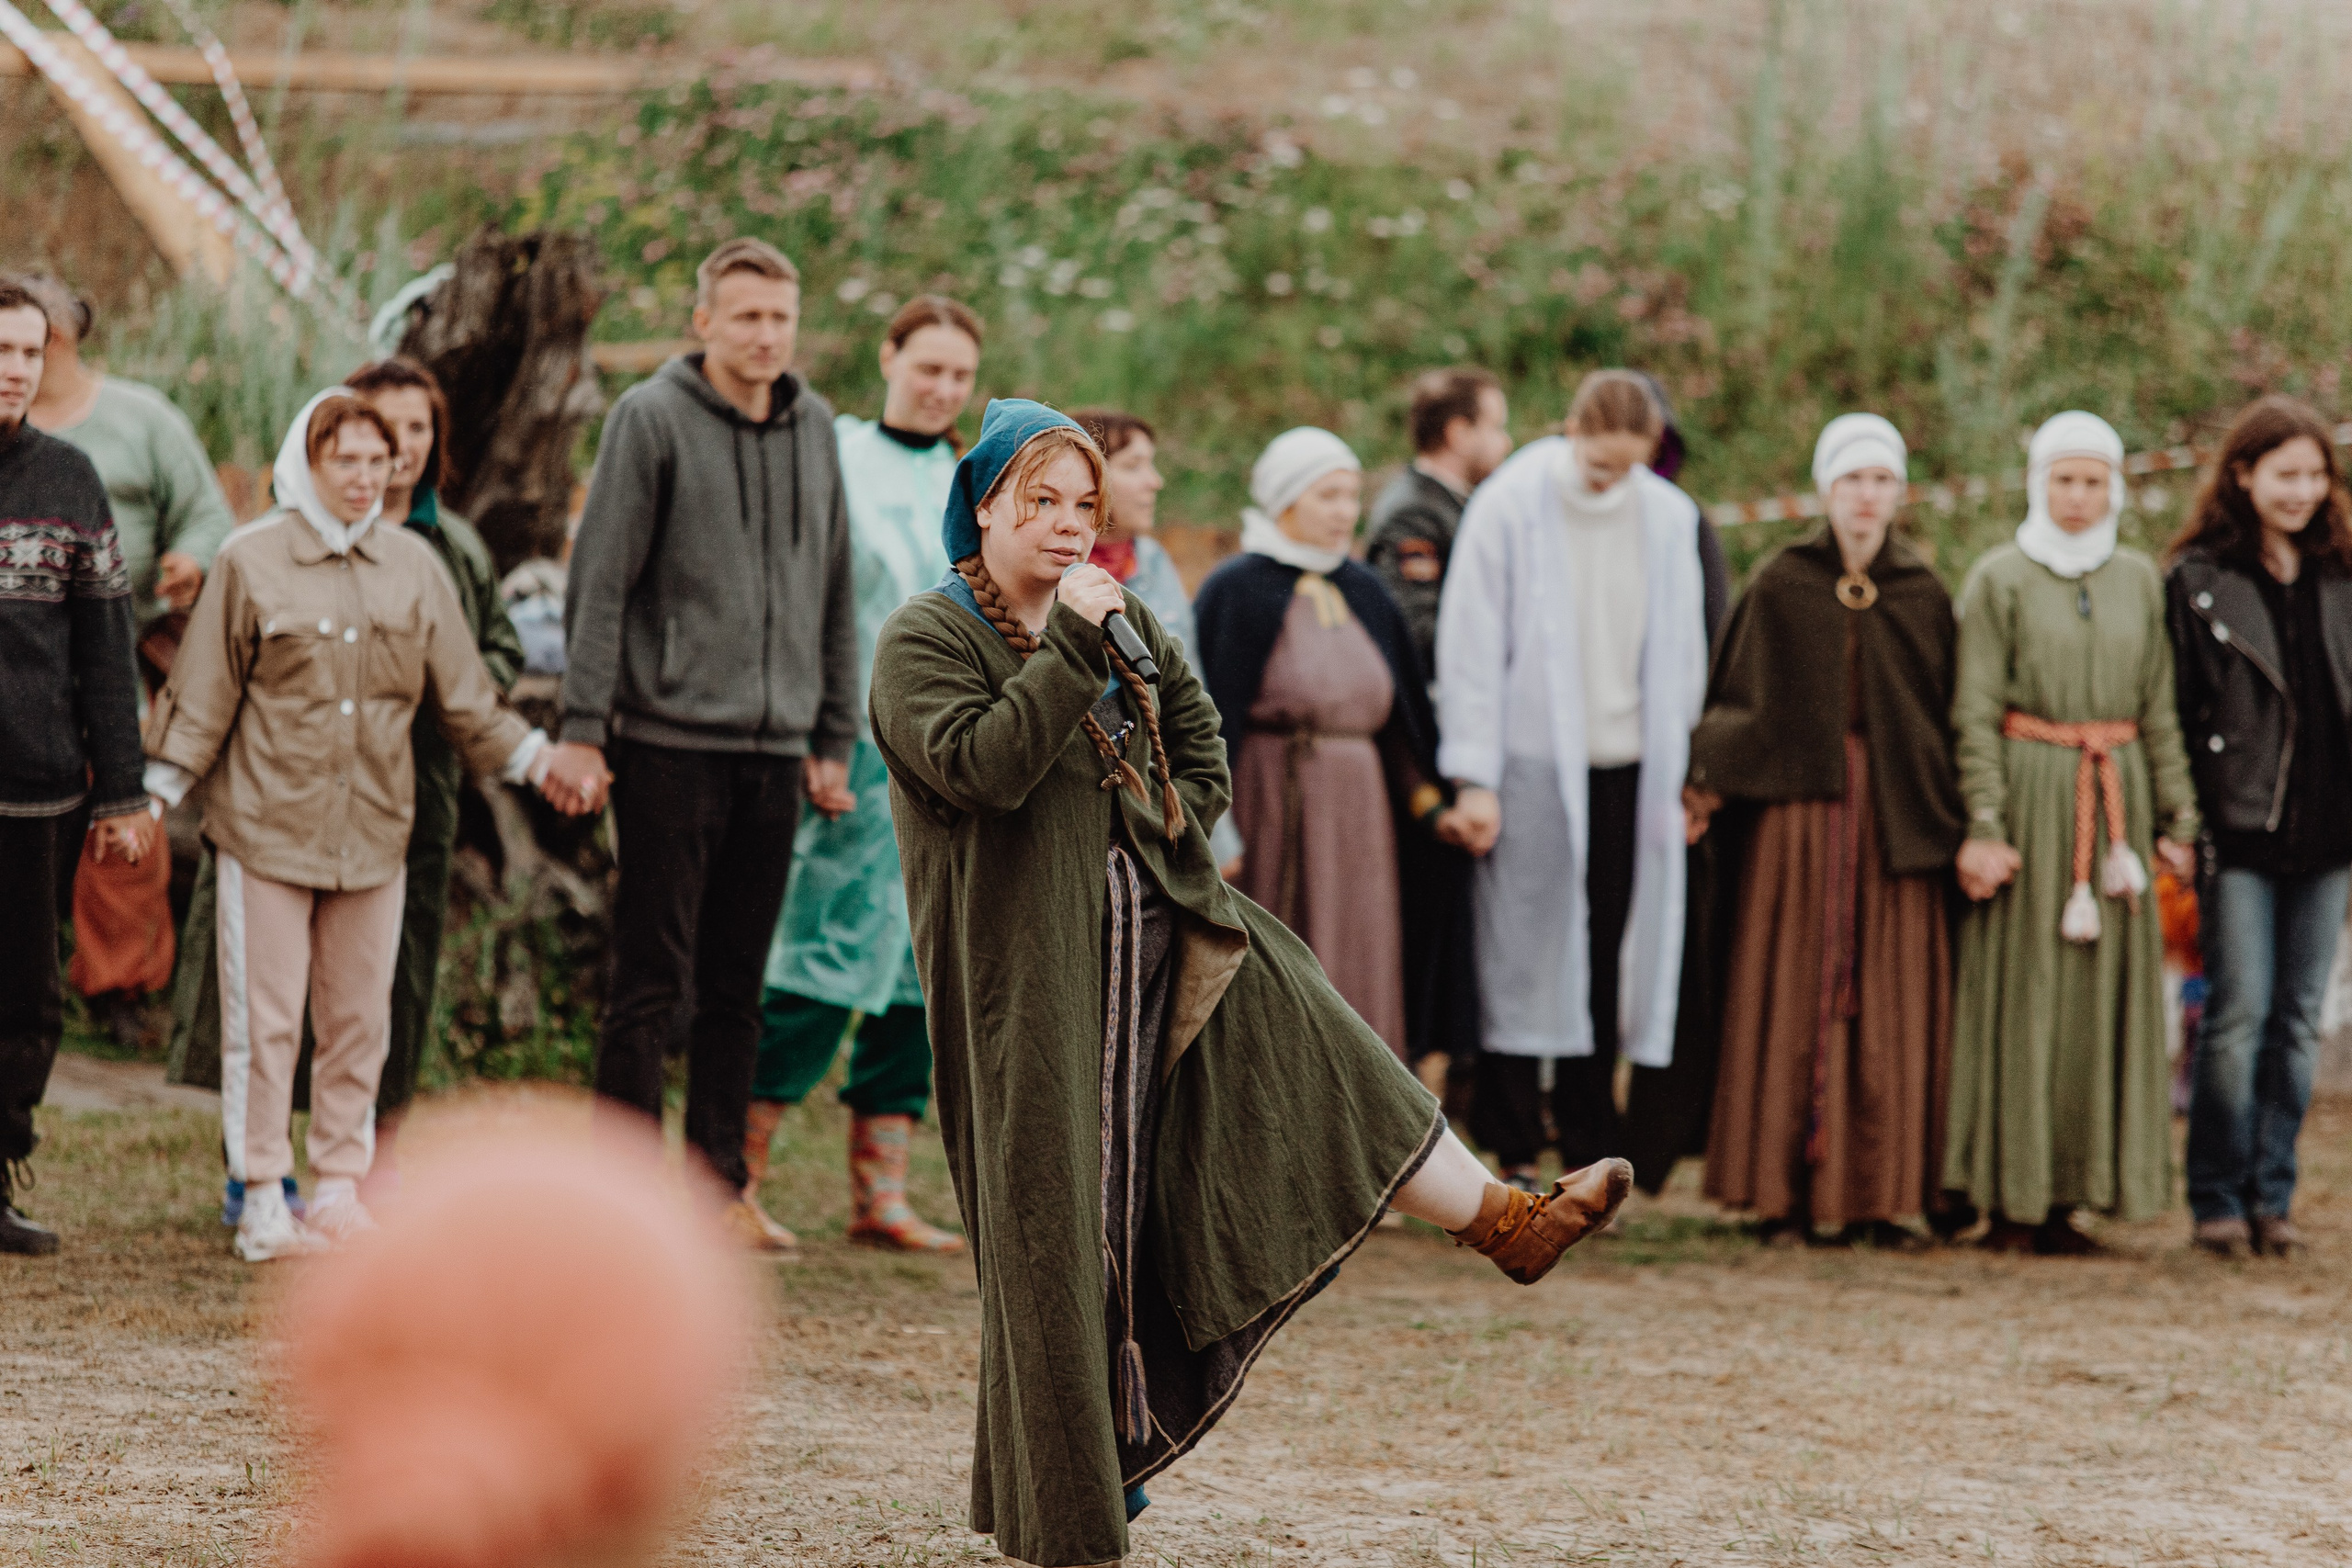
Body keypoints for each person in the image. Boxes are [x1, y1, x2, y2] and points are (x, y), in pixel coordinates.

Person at [869, 398, 1630, 1568]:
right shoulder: (926, 638)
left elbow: (1196, 733)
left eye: (1084, 504)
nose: (1069, 525)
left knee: (1321, 1051)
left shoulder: (1114, 614)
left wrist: (1168, 829)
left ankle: (1503, 1220)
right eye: (1042, 501)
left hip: (1164, 938)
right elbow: (981, 770)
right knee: (1067, 1229)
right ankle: (1076, 1498)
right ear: (982, 507)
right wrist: (1073, 647)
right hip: (1031, 988)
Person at [141, 390, 584, 1261]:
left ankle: (341, 1187)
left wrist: (542, 762)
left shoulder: (414, 567)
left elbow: (468, 700)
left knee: (358, 1020)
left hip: (377, 834)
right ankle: (261, 1195)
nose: (363, 477)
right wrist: (152, 799)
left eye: (377, 462)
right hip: (266, 831)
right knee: (267, 1023)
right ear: (305, 462)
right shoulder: (249, 559)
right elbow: (203, 695)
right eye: (344, 459)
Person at [549, 238, 858, 1248]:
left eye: (780, 317)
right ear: (705, 322)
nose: (766, 335)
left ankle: (719, 1187)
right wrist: (583, 730)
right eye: (747, 316)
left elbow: (833, 584)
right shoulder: (649, 419)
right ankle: (619, 1203)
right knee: (651, 981)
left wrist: (831, 731)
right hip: (666, 742)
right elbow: (600, 584)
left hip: (777, 749)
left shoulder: (815, 426)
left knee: (739, 985)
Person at [1685, 415, 1965, 1247]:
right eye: (1851, 480)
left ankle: (1883, 1193)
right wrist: (1709, 774)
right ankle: (1779, 1190)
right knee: (1789, 985)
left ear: (1900, 493)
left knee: (1891, 994)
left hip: (1894, 818)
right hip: (1797, 825)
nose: (1866, 497)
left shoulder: (1923, 591)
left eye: (1881, 481)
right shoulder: (1781, 582)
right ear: (1825, 490)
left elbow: (1941, 712)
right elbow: (1739, 698)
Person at [1434, 369, 1711, 1188]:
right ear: (1571, 431)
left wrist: (1689, 765)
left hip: (1631, 762)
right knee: (1523, 943)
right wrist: (1474, 774)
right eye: (1598, 463)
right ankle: (1514, 1132)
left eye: (1627, 467)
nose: (1609, 480)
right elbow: (1471, 643)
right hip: (1532, 759)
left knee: (1607, 944)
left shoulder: (1669, 516)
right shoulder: (1509, 503)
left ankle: (1592, 1132)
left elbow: (1685, 649)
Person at [745, 296, 981, 1254]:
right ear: (889, 359)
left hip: (947, 756)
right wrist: (820, 734)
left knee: (921, 971)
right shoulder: (836, 456)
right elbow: (807, 597)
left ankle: (878, 1191)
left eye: (959, 375)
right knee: (815, 959)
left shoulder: (973, 476)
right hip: (852, 745)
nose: (942, 389)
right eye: (928, 368)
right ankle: (734, 1176)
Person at [1946, 411, 2200, 1254]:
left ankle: (2076, 1192)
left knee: (2100, 1003)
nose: (2078, 497)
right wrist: (1987, 818)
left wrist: (2177, 815)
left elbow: (2159, 706)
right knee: (2027, 994)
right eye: (2064, 480)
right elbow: (1975, 710)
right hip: (2033, 801)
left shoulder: (2138, 579)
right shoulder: (2000, 578)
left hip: (2116, 807)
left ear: (2114, 489)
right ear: (2038, 484)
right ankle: (2010, 1192)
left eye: (2093, 481)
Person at [1194, 428, 1472, 1066]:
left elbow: (1402, 728)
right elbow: (1207, 716)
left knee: (1361, 950)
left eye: (1351, 496)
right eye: (1327, 496)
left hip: (1362, 817)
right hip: (1271, 804)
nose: (1345, 511)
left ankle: (1364, 1093)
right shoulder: (1235, 590)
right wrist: (1214, 823)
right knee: (1280, 947)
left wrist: (1432, 808)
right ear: (1285, 500)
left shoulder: (1367, 590)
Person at [12, 271, 237, 1044]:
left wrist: (190, 558)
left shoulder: (143, 419)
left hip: (114, 650)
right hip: (17, 659)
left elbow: (207, 513)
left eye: (35, 343)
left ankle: (120, 986)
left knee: (122, 812)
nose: (21, 361)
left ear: (64, 337)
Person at [2165, 395, 2352, 1259]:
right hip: (2239, 830)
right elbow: (2177, 708)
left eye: (2316, 474)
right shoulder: (2199, 579)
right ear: (2243, 475)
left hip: (2330, 834)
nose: (2302, 491)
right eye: (2286, 474)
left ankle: (2273, 1195)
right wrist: (2182, 818)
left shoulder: (2343, 573)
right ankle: (2217, 1197)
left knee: (2299, 1019)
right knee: (2237, 1014)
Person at [0, 280, 150, 1257]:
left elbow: (106, 649)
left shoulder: (70, 480)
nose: (15, 370)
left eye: (28, 352)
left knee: (23, 997)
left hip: (36, 788)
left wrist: (122, 791)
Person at [1363, 367, 1511, 684]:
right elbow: (1417, 631)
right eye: (1496, 428)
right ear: (1459, 434)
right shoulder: (1413, 514)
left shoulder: (1453, 502)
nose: (1506, 443)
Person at [1072, 408, 1196, 659]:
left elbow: (1188, 668)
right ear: (1086, 477)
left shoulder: (1152, 558)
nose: (1155, 482)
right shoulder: (1052, 567)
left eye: (1150, 465)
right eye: (1132, 466)